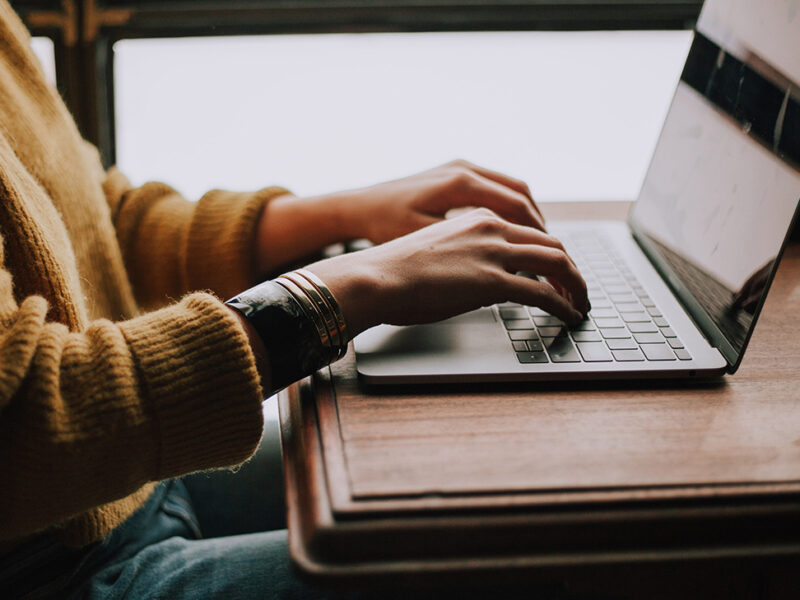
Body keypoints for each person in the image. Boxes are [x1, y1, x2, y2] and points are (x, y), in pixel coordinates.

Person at [0, 1, 588, 597]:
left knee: (489, 491)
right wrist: (353, 285)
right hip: (51, 568)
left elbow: (101, 229)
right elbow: (24, 423)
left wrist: (349, 211)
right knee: (512, 561)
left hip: (128, 485)